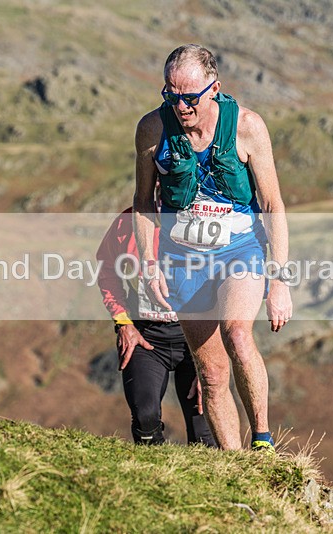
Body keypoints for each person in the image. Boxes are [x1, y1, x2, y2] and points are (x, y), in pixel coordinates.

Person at [133, 44, 293, 451]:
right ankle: (235, 464)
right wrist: (150, 266)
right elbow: (143, 201)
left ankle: (262, 440)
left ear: (214, 88)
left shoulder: (248, 127)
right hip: (182, 260)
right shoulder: (152, 129)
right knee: (212, 373)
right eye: (171, 95)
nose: (181, 105)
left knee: (238, 333)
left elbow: (273, 204)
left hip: (239, 251)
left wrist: (280, 282)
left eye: (190, 97)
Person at [96, 204, 216, 447]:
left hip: (195, 340)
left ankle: (208, 484)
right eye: (156, 186)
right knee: (145, 420)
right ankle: (155, 479)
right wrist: (122, 322)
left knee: (205, 432)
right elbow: (106, 268)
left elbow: (226, 288)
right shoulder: (127, 221)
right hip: (146, 336)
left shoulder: (205, 221)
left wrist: (214, 363)